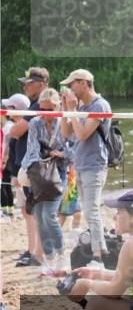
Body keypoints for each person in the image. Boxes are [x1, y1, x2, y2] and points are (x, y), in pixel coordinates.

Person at [59, 69, 112, 266]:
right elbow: (66, 133)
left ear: (83, 83)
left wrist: (73, 111)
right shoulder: (81, 106)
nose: (70, 88)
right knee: (90, 210)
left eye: (72, 84)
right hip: (80, 164)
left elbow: (82, 135)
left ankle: (98, 255)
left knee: (91, 211)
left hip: (95, 165)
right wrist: (66, 110)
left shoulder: (100, 105)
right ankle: (101, 249)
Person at [21, 88, 69, 273]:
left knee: (49, 215)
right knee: (40, 217)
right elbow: (31, 149)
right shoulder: (34, 122)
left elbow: (73, 151)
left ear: (57, 107)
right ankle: (49, 260)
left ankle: (62, 256)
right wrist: (26, 172)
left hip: (59, 175)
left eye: (49, 110)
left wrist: (61, 154)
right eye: (42, 109)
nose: (45, 114)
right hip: (39, 175)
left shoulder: (64, 122)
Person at [9, 69, 46, 267]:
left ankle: (38, 254)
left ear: (41, 84)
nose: (26, 86)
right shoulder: (35, 104)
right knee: (32, 211)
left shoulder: (41, 104)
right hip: (29, 165)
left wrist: (14, 129)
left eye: (30, 83)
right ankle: (34, 251)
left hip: (36, 166)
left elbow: (16, 130)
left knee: (38, 211)